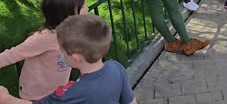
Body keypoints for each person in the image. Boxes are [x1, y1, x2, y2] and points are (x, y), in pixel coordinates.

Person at [0, 14, 138, 104]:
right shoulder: (116, 68)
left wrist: (5, 97)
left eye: (63, 51)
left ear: (76, 57)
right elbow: (131, 102)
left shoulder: (73, 92)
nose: (61, 53)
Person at [0, 0, 88, 101]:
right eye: (82, 6)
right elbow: (11, 55)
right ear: (67, 14)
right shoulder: (44, 39)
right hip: (37, 94)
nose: (87, 9)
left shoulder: (74, 30)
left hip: (58, 89)